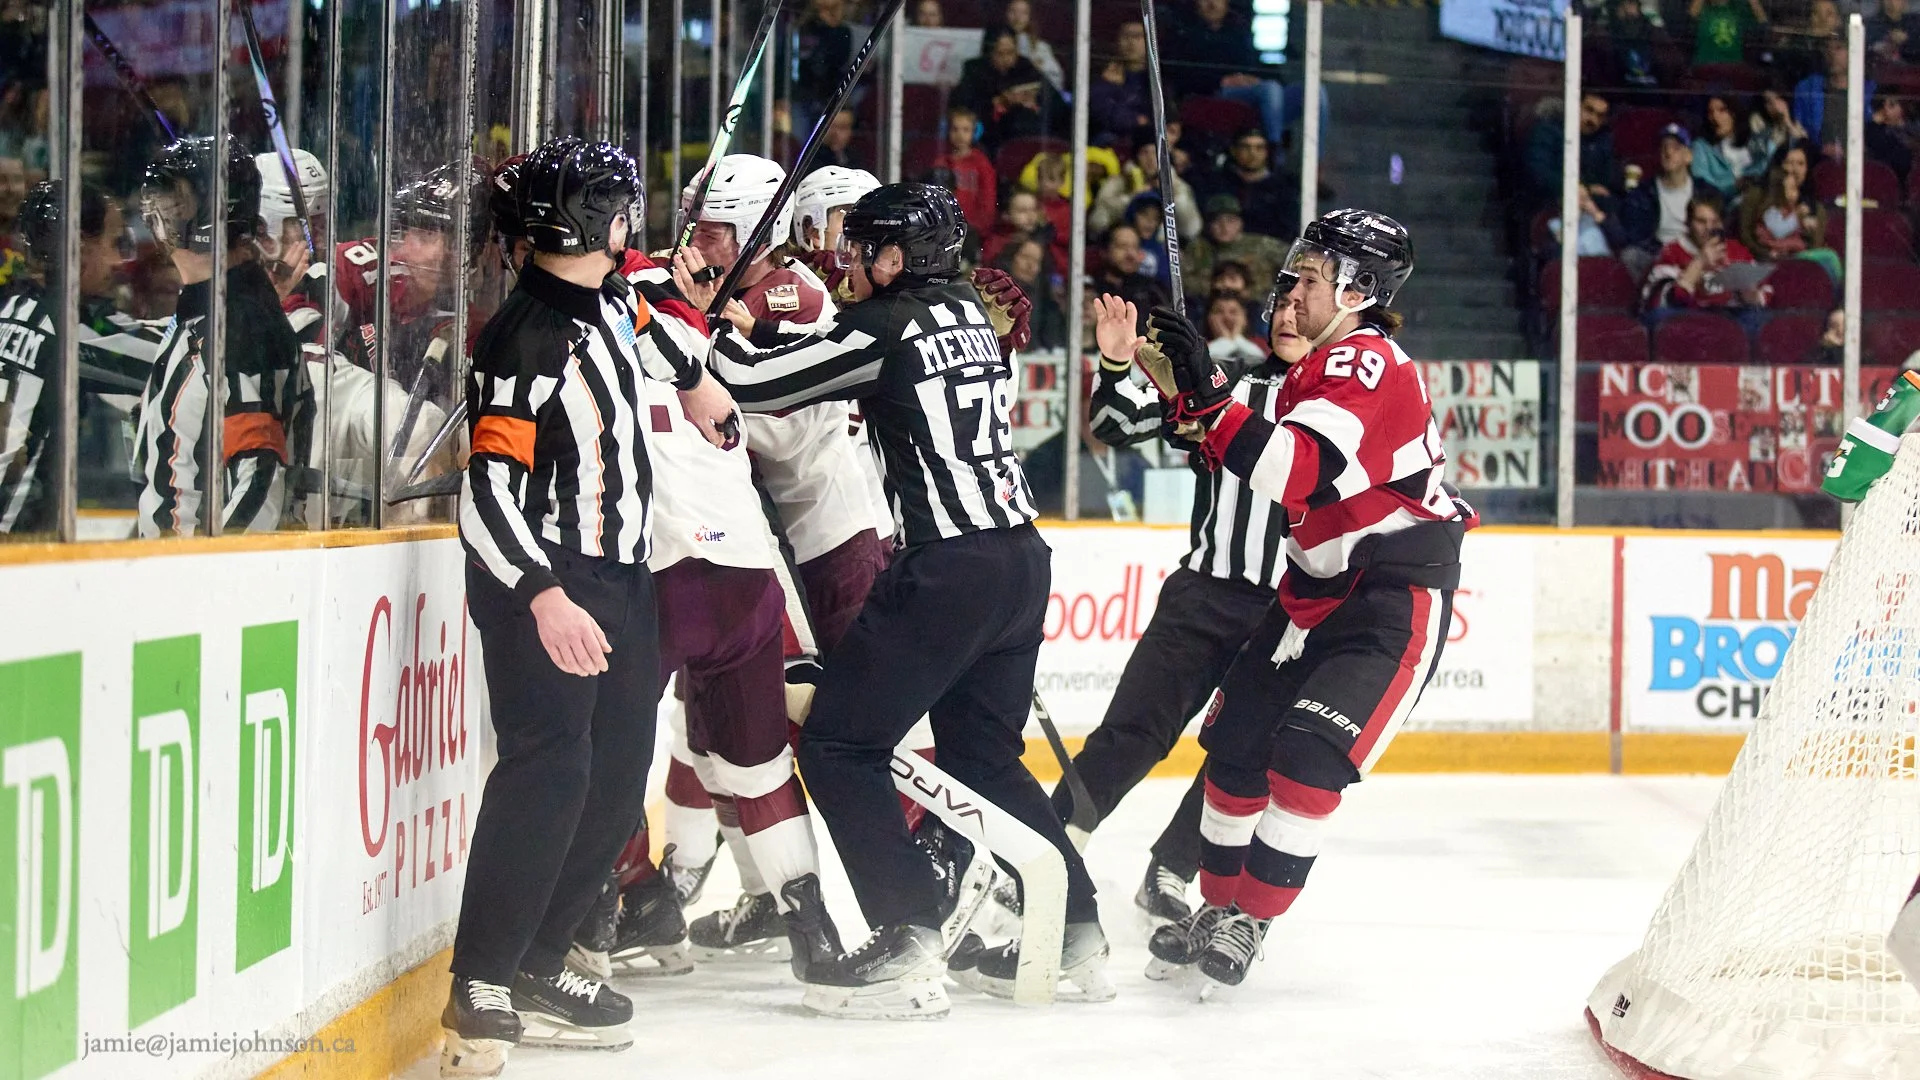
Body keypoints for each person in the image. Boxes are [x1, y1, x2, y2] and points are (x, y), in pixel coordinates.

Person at [704, 183, 1107, 1018]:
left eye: (861, 250)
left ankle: (905, 934)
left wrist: (717, 322)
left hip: (949, 569)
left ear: (895, 258)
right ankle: (1076, 928)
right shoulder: (966, 311)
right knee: (981, 756)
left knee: (838, 746)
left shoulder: (884, 326)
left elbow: (754, 386)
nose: (846, 264)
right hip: (1021, 561)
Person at [440, 137, 736, 1074]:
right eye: (618, 210)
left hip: (621, 576)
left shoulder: (613, 298)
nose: (629, 225)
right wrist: (543, 597)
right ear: (585, 223)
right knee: (548, 774)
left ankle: (539, 959)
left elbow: (661, 333)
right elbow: (486, 493)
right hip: (547, 578)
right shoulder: (524, 339)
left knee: (615, 781)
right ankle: (481, 979)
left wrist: (698, 382)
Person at [1132, 208, 1470, 994]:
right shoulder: (1310, 371)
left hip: (1388, 599)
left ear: (1357, 290)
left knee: (1309, 759)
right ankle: (1217, 907)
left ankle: (1250, 919)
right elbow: (1236, 448)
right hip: (1308, 594)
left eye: (1309, 278)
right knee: (1235, 748)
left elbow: (1295, 470)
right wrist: (1189, 393)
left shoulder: (1366, 360)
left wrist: (1207, 393)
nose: (1288, 290)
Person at [1061, 277, 1310, 925]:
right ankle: (1052, 852)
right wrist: (1116, 362)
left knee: (1239, 758)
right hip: (1203, 597)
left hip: (1287, 617)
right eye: (1280, 306)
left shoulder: (1345, 409)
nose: (1289, 316)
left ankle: (1170, 869)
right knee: (1132, 733)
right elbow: (1115, 424)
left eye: (1302, 305)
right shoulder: (1226, 385)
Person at [131, 136, 310, 539]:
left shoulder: (241, 327)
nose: (155, 212)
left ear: (214, 215)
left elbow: (260, 486)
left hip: (202, 572)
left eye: (174, 202)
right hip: (176, 567)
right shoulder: (207, 310)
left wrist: (210, 574)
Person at [0, 180, 158, 534]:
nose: (121, 260)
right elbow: (172, 364)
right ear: (78, 250)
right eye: (116, 243)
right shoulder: (69, 331)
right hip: (16, 545)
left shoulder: (12, 307)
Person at [1612, 123, 1718, 276]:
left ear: (1688, 156)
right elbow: (1637, 236)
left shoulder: (1705, 190)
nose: (1668, 153)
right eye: (1664, 148)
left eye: (1676, 148)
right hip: (1660, 253)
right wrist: (1666, 253)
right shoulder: (1644, 192)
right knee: (1630, 255)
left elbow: (1716, 227)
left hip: (1696, 250)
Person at [951, 26, 1069, 153]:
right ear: (989, 53)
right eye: (1000, 54)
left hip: (1031, 129)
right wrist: (997, 102)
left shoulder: (1026, 67)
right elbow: (963, 108)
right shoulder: (974, 70)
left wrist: (1035, 103)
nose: (1007, 59)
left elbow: (1057, 104)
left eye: (1011, 53)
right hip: (992, 135)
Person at [1645, 193, 1770, 312]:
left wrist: (1750, 294)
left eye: (1715, 222)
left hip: (1732, 318)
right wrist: (1699, 262)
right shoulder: (1671, 252)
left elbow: (1765, 295)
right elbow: (1660, 305)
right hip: (1690, 318)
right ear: (1688, 223)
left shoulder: (1737, 250)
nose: (1709, 228)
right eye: (1701, 221)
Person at [1092, 127, 1200, 238]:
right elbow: (1096, 223)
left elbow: (1191, 229)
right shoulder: (1121, 180)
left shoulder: (1176, 185)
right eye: (1145, 153)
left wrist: (1173, 194)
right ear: (1137, 156)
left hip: (1161, 244)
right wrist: (1131, 198)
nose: (1150, 159)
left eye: (1155, 153)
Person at [1738, 146, 1832, 274]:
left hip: (1800, 267)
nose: (1794, 169)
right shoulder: (1758, 197)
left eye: (1800, 164)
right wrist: (1768, 254)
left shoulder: (1815, 207)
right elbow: (1747, 235)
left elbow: (1814, 245)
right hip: (1763, 263)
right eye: (1788, 162)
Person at [1197, 128, 1298, 240]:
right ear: (1233, 150)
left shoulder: (1282, 187)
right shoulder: (1216, 183)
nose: (1252, 153)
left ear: (1267, 152)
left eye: (1259, 148)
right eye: (1245, 147)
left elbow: (1289, 229)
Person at [1186, 194, 1289, 298]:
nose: (1224, 227)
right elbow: (1184, 282)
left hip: (1260, 302)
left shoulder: (1262, 245)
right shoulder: (1198, 249)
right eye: (1217, 221)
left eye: (1230, 221)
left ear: (1240, 223)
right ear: (1208, 225)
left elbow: (1293, 263)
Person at [1794, 37, 1877, 161]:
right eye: (1827, 47)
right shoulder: (1807, 88)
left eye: (1839, 48)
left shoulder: (1871, 90)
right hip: (1818, 160)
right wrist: (1819, 149)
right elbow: (1799, 132)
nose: (1831, 53)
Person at [933, 103, 997, 236]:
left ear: (975, 132)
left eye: (966, 130)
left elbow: (988, 197)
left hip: (973, 229)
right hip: (946, 228)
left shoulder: (981, 163)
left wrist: (981, 227)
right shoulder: (942, 162)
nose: (960, 135)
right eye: (955, 129)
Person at [1691, 94, 1770, 200]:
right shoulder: (1702, 147)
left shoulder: (1755, 142)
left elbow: (1765, 168)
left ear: (1734, 113)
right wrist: (1734, 185)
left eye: (1722, 110)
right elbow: (1703, 183)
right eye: (1710, 112)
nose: (1715, 117)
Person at [1094, 224, 1171, 330]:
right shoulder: (1092, 289)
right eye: (1122, 247)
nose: (1130, 254)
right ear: (1104, 252)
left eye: (1135, 247)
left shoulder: (1153, 289)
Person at [1090, 20, 1151, 148]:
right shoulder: (1104, 77)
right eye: (1126, 36)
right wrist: (1109, 85)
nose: (1131, 42)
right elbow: (1102, 115)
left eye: (1137, 36)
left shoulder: (1158, 79)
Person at [1000, 0, 1064, 89]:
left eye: (1023, 13)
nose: (1017, 17)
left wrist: (1039, 68)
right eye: (1013, 11)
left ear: (1030, 17)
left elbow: (1056, 78)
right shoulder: (991, 43)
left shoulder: (1041, 47)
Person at [1690, 0, 1767, 66]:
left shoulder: (1739, 11)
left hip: (1734, 67)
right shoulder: (1703, 11)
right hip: (1705, 65)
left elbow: (1763, 22)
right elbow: (1691, 17)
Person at [1868, 93, 1913, 194]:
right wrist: (1874, 125)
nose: (1885, 109)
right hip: (1882, 184)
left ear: (1902, 107)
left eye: (1891, 105)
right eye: (1883, 105)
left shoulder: (1912, 130)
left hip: (1904, 184)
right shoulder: (1877, 130)